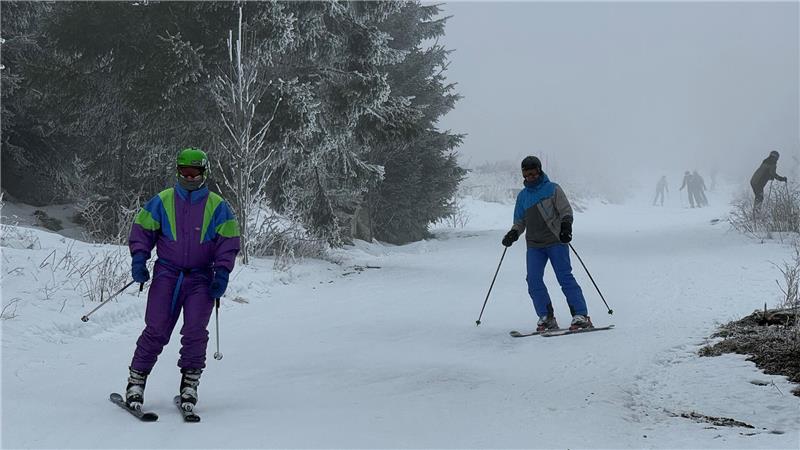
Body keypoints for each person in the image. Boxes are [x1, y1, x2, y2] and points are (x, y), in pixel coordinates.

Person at [124, 147, 240, 412]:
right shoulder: (162, 200)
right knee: (156, 329)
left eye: (194, 173)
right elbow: (142, 231)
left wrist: (222, 273)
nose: (189, 178)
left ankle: (190, 384)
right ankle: (136, 382)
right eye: (184, 172)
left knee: (195, 332)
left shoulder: (218, 206)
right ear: (177, 172)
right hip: (167, 275)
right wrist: (139, 260)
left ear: (204, 173)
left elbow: (228, 242)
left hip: (201, 278)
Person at [501, 156, 591, 332]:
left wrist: (566, 227)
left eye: (533, 173)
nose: (531, 177)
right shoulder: (523, 196)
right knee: (533, 279)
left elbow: (565, 211)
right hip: (534, 245)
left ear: (539, 171)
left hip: (556, 241)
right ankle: (546, 318)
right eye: (527, 174)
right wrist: (513, 233)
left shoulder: (553, 189)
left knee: (564, 277)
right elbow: (520, 221)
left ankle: (581, 315)